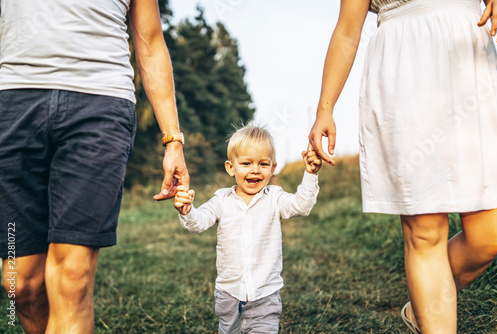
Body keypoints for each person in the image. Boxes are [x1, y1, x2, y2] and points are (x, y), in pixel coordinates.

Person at [308, 0, 497, 333]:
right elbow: (347, 32)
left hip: (472, 67)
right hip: (405, 68)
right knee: (425, 233)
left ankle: (422, 307)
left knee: (491, 234)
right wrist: (325, 109)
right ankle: (433, 318)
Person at [0, 1, 189, 333]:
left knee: (72, 278)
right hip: (13, 101)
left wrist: (173, 139)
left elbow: (150, 40)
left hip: (100, 102)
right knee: (21, 283)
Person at [174, 125, 321, 333]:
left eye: (263, 164)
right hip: (228, 295)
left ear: (272, 168)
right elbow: (198, 222)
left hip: (265, 295)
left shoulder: (275, 198)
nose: (255, 170)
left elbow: (301, 206)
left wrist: (310, 174)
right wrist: (187, 210)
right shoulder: (221, 200)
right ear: (231, 168)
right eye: (246, 163)